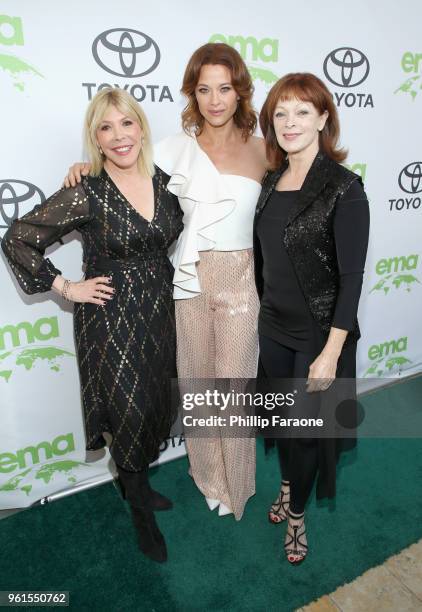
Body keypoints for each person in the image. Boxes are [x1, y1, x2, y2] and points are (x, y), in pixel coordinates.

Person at [64, 43, 268, 520]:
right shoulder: (174, 151)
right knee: (198, 391)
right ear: (191, 95)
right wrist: (82, 168)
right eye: (204, 89)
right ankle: (208, 479)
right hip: (187, 285)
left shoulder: (264, 150)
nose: (215, 99)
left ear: (240, 91)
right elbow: (124, 171)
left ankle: (237, 486)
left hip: (240, 284)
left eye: (224, 88)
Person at [2, 88, 183, 563]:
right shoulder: (88, 190)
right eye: (106, 127)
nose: (119, 136)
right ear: (96, 140)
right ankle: (142, 512)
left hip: (160, 313)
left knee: (153, 406)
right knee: (125, 412)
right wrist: (66, 286)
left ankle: (133, 483)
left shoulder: (165, 181)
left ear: (141, 128)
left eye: (127, 123)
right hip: (109, 319)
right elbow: (18, 239)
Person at [254, 73, 369, 563]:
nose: (289, 122)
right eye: (280, 113)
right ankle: (284, 485)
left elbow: (351, 278)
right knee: (281, 423)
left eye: (302, 111)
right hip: (273, 327)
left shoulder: (344, 188)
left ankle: (297, 515)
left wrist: (330, 352)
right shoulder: (270, 181)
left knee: (304, 434)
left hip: (318, 337)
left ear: (324, 119)